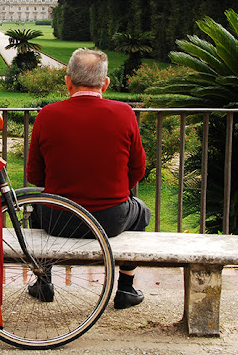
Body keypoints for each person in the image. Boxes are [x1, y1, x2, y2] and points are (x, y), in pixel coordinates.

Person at [26, 48, 151, 309]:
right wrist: (118, 191)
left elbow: (34, 175)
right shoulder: (124, 113)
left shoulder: (47, 114)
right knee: (141, 212)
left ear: (67, 81)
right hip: (109, 219)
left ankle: (43, 280)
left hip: (57, 218)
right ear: (105, 83)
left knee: (35, 209)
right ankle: (126, 287)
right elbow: (138, 168)